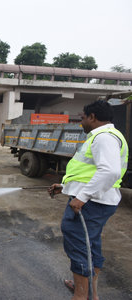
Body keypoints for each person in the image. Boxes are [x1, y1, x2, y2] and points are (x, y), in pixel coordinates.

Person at [48, 100, 128, 300]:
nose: (81, 122)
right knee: (90, 244)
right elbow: (89, 172)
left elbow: (109, 171)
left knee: (79, 245)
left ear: (92, 117)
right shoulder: (108, 136)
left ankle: (81, 295)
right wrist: (66, 188)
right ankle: (90, 291)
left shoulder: (104, 137)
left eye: (82, 118)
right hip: (98, 201)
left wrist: (81, 197)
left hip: (92, 203)